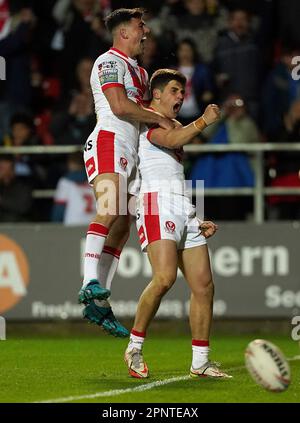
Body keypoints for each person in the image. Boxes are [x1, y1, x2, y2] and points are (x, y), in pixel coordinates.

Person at [124, 69, 231, 379]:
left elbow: (172, 169)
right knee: (164, 278)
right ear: (156, 95)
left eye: (182, 92)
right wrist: (203, 121)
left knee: (204, 286)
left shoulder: (175, 124)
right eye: (174, 90)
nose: (180, 96)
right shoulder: (150, 121)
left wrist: (193, 217)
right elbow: (171, 138)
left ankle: (200, 362)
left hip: (181, 206)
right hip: (156, 204)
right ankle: (134, 346)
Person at [79, 8, 174, 337]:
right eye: (140, 26)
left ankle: (99, 302)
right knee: (108, 209)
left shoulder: (142, 73)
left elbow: (144, 111)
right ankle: (89, 281)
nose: (145, 32)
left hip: (131, 149)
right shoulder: (108, 62)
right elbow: (120, 107)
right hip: (109, 140)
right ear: (123, 33)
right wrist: (158, 119)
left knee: (121, 227)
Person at [52, 151, 95, 225]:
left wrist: (55, 223)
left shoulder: (65, 181)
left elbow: (59, 209)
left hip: (73, 223)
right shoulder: (95, 179)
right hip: (93, 223)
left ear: (71, 163)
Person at [0, 154, 32, 222]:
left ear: (12, 168)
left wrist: (2, 200)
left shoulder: (22, 185)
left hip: (17, 225)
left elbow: (23, 207)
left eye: (2, 168)